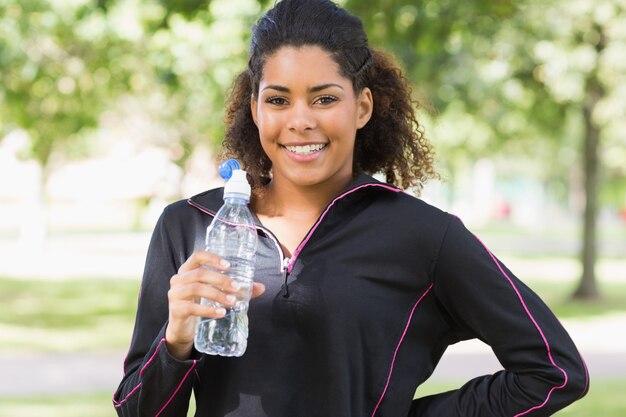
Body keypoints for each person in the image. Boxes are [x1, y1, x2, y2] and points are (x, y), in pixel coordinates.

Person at [113, 0, 589, 415]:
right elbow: (138, 411)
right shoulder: (189, 226)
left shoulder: (422, 235)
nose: (300, 121)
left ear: (362, 108)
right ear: (256, 109)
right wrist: (175, 341)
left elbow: (553, 371)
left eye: (324, 99)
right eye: (278, 100)